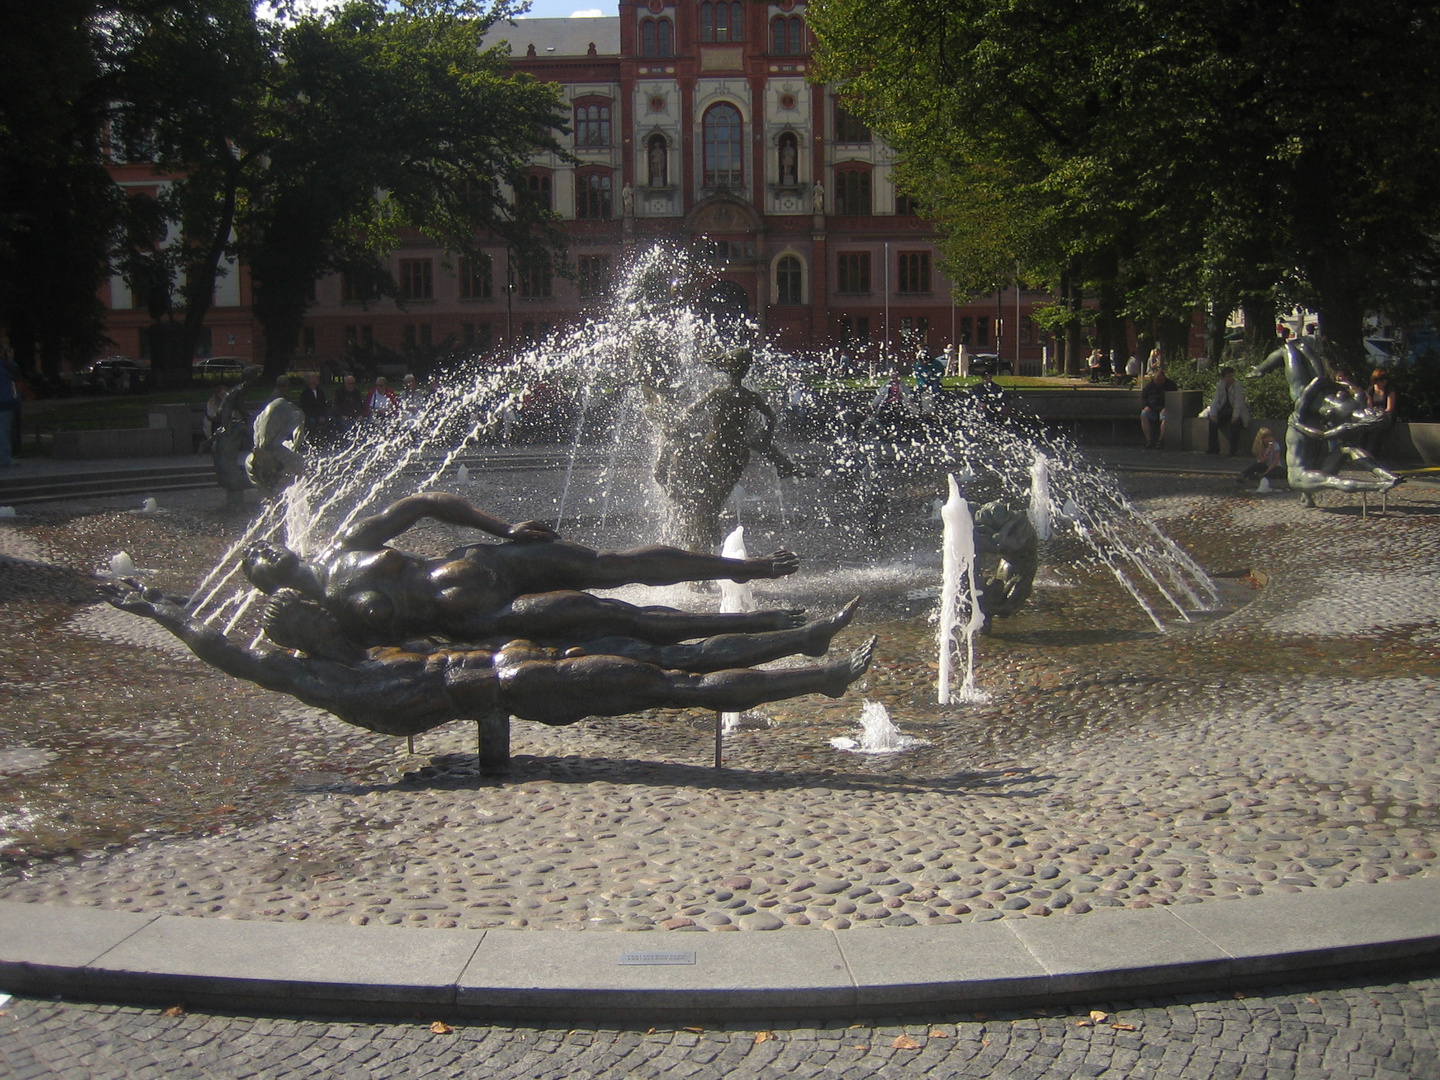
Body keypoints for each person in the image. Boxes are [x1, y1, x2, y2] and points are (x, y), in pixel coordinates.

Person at [102, 582, 875, 738]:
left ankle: (806, 640)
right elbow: (225, 649)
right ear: (302, 636)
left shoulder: (369, 644)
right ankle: (825, 678)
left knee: (673, 644)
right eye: (308, 615)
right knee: (675, 684)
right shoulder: (321, 675)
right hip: (515, 683)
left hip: (514, 660)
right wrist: (159, 611)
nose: (321, 611)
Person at [240, 491, 805, 647]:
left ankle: (742, 569)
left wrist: (502, 530)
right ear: (267, 586)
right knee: (610, 617)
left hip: (486, 563)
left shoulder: (346, 545)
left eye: (265, 544)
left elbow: (425, 505)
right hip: (489, 619)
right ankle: (755, 634)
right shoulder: (324, 623)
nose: (270, 551)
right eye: (259, 560)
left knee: (612, 566)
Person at [1204, 366, 1250, 455]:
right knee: (1212, 423)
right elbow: (1216, 400)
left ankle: (1233, 449)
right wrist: (1213, 414)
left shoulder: (1237, 385)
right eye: (1228, 376)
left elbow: (1238, 402)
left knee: (1235, 424)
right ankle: (1213, 448)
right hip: (1224, 411)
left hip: (1236, 412)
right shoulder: (1220, 385)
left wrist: (1235, 416)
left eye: (1232, 376)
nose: (1230, 379)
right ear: (1223, 377)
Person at [1361, 368, 1397, 457]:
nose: (1384, 382)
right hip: (1374, 415)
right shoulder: (1371, 390)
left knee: (1376, 430)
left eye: (1385, 380)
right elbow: (1370, 406)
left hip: (1386, 415)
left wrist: (1381, 414)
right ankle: (1361, 453)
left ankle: (1371, 454)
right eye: (1381, 380)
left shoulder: (1389, 390)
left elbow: (1390, 408)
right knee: (1363, 428)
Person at [1140, 367, 1177, 449]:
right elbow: (1143, 397)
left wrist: (1166, 407)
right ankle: (1149, 441)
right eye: (1156, 381)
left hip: (1163, 408)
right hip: (1151, 408)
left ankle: (1160, 441)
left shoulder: (1171, 385)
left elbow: (1173, 399)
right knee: (1144, 415)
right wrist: (1146, 406)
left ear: (1164, 378)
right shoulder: (1150, 386)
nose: (1158, 383)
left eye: (1160, 381)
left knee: (1165, 417)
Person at [297, 372, 331, 439]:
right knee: (311, 422)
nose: (316, 380)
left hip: (321, 415)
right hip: (311, 416)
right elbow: (306, 409)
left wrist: (323, 415)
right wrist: (318, 417)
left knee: (331, 419)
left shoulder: (320, 392)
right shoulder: (305, 394)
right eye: (314, 378)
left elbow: (324, 405)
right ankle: (313, 438)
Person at [0, 347, 19, 466]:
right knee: (3, 431)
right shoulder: (6, 365)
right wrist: (10, 359)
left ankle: (4, 457)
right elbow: (16, 373)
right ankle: (5, 458)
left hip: (5, 402)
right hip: (6, 402)